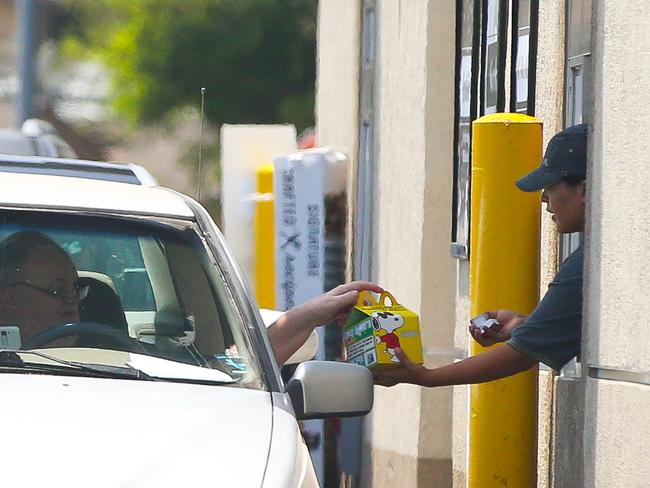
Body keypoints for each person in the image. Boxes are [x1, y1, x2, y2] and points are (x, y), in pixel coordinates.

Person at [374, 124, 587, 388]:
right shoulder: (600, 254)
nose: (544, 198)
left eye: (551, 186)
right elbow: (549, 330)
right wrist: (523, 324)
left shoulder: (587, 267)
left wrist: (426, 377)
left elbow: (519, 355)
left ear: (585, 191)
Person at [0, 231, 382, 364]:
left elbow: (230, 369)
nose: (73, 300)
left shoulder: (140, 363)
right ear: (9, 299)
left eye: (75, 288)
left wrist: (304, 316)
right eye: (56, 290)